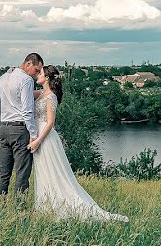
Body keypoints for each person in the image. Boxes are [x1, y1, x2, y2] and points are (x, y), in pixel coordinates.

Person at [28, 65, 128, 222]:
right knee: (43, 172)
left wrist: (38, 140)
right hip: (37, 136)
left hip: (46, 139)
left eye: (40, 73)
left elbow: (50, 123)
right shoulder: (41, 94)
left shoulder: (51, 97)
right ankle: (45, 207)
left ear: (47, 78)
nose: (37, 75)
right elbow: (24, 91)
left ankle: (63, 206)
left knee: (53, 172)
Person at [0, 52, 43, 196]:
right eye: (36, 70)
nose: (36, 74)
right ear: (28, 64)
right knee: (22, 172)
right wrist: (33, 135)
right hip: (20, 130)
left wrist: (9, 100)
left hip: (3, 129)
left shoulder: (3, 77)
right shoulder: (26, 80)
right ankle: (19, 208)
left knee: (3, 171)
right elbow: (27, 111)